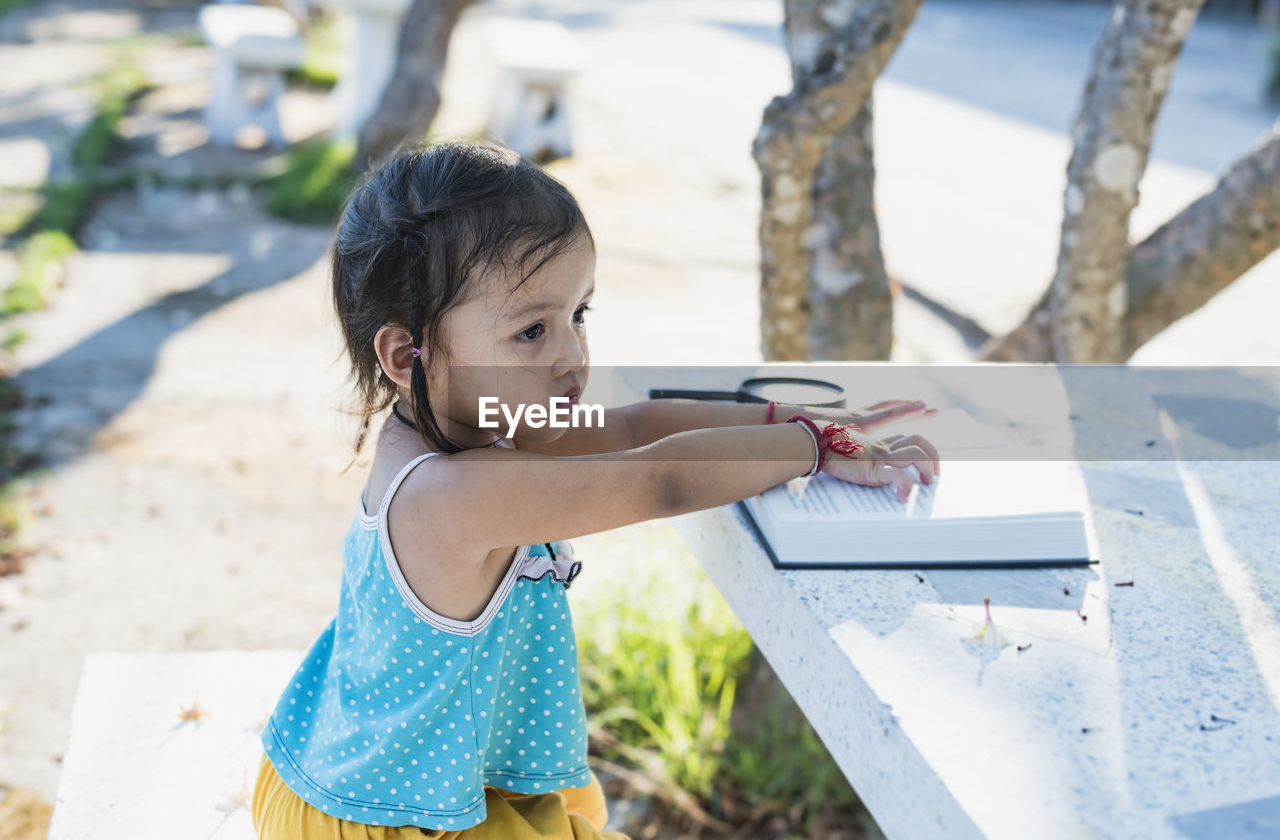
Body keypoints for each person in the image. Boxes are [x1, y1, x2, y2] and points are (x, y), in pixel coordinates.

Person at [250, 139, 941, 839]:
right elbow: (660, 479)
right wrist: (817, 450)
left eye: (579, 315)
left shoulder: (479, 421)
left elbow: (633, 427)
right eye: (531, 331)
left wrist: (803, 421)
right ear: (409, 355)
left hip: (413, 781)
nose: (572, 356)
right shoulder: (449, 494)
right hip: (389, 821)